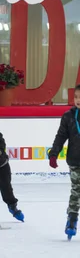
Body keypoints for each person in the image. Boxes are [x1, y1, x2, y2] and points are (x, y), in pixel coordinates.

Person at [48, 84, 80, 239]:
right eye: (76, 97)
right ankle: (72, 220)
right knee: (76, 192)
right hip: (76, 160)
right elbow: (61, 136)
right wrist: (54, 153)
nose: (78, 100)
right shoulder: (68, 116)